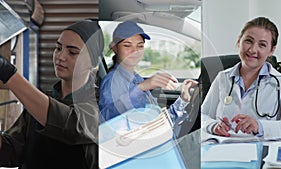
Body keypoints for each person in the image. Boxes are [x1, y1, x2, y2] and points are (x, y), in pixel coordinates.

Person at [0, 19, 103, 169]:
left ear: (93, 62)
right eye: (58, 48)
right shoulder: (42, 101)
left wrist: (7, 73)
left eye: (72, 52)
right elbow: (11, 152)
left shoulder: (101, 102)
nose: (61, 56)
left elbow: (70, 125)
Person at [201, 16, 281, 140]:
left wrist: (261, 127)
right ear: (239, 41)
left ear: (271, 50)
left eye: (262, 45)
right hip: (221, 149)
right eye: (248, 41)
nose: (253, 49)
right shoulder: (223, 78)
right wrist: (213, 125)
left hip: (260, 152)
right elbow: (203, 115)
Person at [99, 20, 198, 127]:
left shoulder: (137, 78)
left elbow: (158, 123)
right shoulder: (112, 81)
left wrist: (183, 100)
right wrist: (141, 88)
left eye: (140, 46)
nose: (135, 51)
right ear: (114, 48)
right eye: (127, 46)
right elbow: (106, 121)